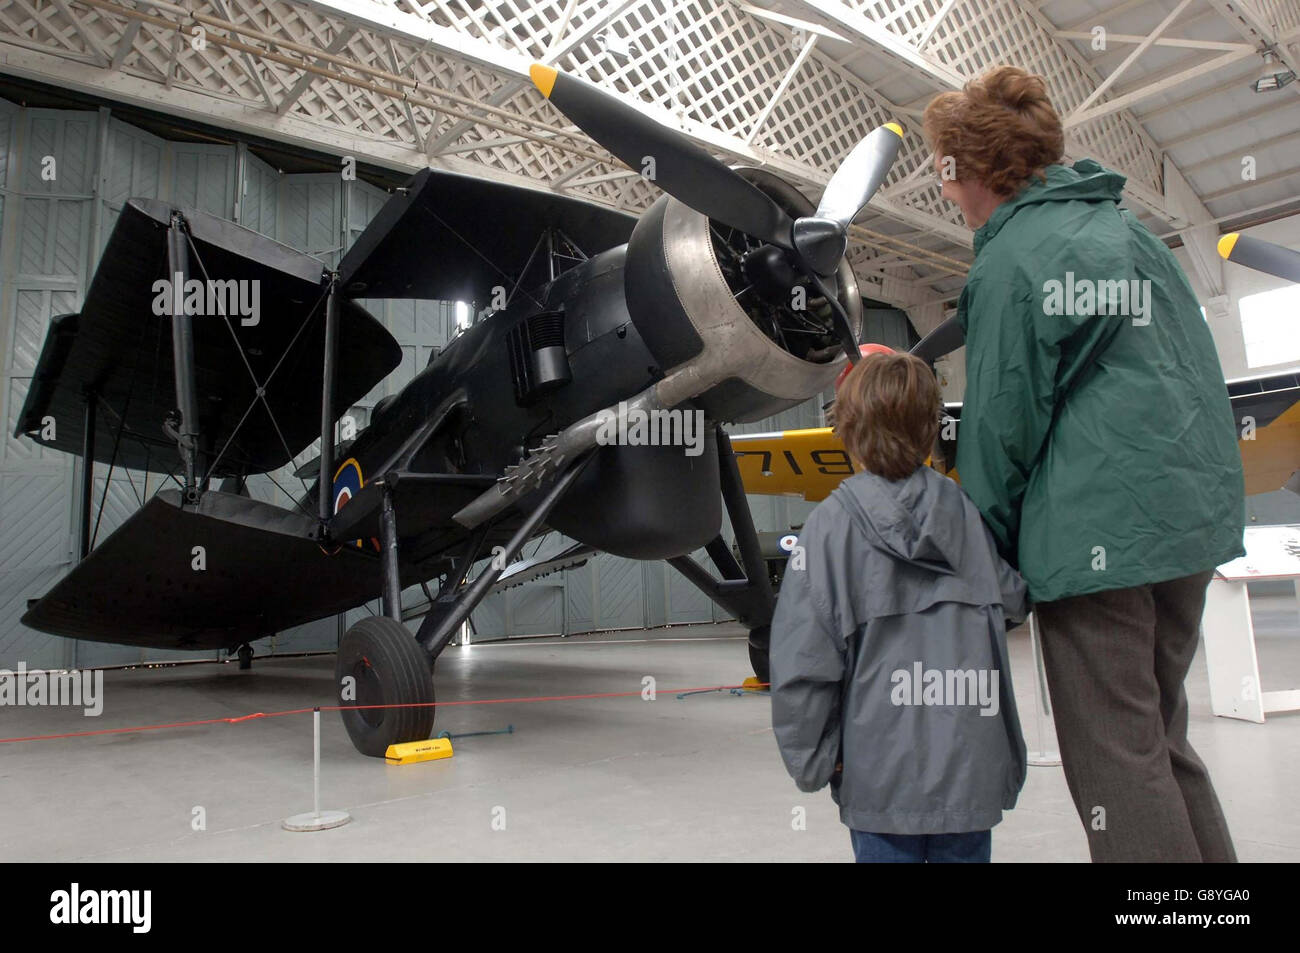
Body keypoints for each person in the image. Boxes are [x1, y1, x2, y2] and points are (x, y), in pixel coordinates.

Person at [923, 65, 1245, 862]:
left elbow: (1001, 426)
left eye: (945, 170)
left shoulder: (1010, 259)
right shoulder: (1131, 234)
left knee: (1117, 766)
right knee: (1164, 743)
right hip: (1186, 529)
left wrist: (984, 566)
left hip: (1098, 546)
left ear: (977, 170)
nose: (944, 190)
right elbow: (1196, 375)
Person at [770, 350, 1028, 863]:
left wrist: (814, 760)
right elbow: (1013, 600)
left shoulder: (828, 528)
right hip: (970, 773)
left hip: (879, 777)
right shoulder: (965, 513)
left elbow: (803, 660)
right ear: (931, 427)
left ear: (848, 427)